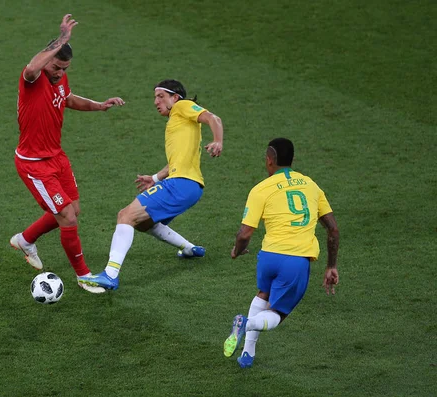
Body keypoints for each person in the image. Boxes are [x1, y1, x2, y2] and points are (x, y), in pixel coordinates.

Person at [9, 14, 125, 294]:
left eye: (65, 68)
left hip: (56, 157)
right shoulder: (32, 80)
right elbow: (31, 66)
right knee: (67, 218)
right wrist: (61, 38)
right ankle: (84, 276)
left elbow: (68, 98)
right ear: (48, 59)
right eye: (57, 66)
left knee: (73, 209)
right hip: (34, 164)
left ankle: (25, 240)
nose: (60, 72)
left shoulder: (60, 78)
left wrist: (98, 106)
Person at [78, 79, 224, 291]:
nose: (156, 101)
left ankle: (110, 275)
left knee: (125, 216)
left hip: (181, 185)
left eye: (161, 96)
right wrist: (155, 178)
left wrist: (218, 140)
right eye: (155, 97)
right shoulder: (178, 120)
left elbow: (213, 118)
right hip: (190, 187)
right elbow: (177, 162)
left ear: (175, 97)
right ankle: (190, 249)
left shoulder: (182, 106)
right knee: (144, 223)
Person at [223, 138, 340, 368]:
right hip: (295, 261)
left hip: (268, 257)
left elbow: (245, 233)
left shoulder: (260, 189)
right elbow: (333, 229)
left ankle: (247, 353)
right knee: (277, 314)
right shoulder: (311, 185)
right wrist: (330, 265)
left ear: (269, 160)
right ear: (292, 160)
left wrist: (238, 250)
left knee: (263, 294)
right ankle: (245, 324)